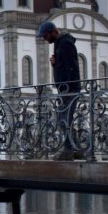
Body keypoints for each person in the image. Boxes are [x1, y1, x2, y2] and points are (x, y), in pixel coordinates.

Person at [38, 20, 83, 160]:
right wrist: (55, 64)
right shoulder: (59, 43)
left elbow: (72, 67)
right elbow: (63, 66)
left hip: (69, 88)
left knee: (64, 119)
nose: (45, 39)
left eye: (45, 36)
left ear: (53, 32)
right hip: (65, 88)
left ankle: (69, 151)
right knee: (64, 119)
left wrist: (69, 87)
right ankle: (76, 149)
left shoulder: (65, 43)